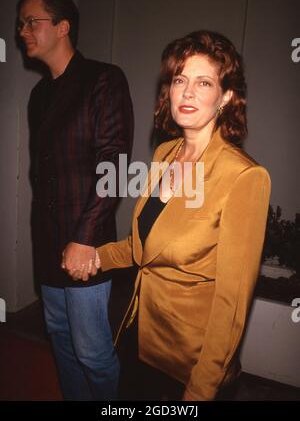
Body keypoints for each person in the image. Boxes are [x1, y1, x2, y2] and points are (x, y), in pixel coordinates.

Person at [67, 30, 271, 400]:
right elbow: (143, 246)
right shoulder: (165, 153)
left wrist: (201, 390)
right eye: (180, 80)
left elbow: (232, 303)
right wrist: (96, 255)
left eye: (203, 82)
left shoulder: (243, 178)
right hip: (137, 339)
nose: (188, 92)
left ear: (225, 97)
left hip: (188, 367)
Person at [17, 0, 134, 400]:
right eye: (20, 23)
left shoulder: (103, 79)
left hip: (86, 242)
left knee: (91, 352)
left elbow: (116, 166)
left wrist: (85, 238)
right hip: (47, 241)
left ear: (63, 26)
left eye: (32, 21)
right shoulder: (38, 95)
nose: (22, 31)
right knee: (62, 343)